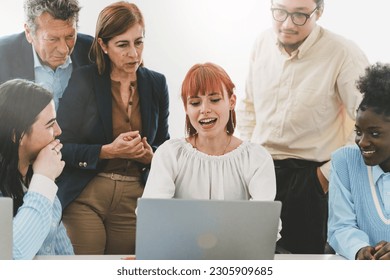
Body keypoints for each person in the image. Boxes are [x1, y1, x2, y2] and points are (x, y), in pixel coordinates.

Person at [237, 0, 370, 254]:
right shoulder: (261, 43)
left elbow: (368, 125)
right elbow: (249, 106)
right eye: (280, 12)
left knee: (305, 265)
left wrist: (325, 176)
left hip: (310, 180)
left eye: (300, 15)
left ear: (318, 12)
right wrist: (248, 155)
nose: (287, 24)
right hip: (259, 173)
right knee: (253, 259)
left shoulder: (343, 53)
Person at [56, 1, 170, 255]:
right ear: (103, 45)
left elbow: (164, 144)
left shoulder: (156, 84)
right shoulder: (84, 79)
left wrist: (151, 155)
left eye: (138, 42)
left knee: (124, 269)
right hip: (87, 194)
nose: (134, 54)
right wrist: (107, 151)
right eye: (123, 44)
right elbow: (61, 147)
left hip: (134, 199)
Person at [142, 62, 280, 238]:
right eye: (194, 102)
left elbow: (262, 222)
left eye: (214, 100)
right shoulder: (169, 154)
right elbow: (155, 217)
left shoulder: (256, 158)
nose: (204, 110)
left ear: (232, 101)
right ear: (186, 108)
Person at [0, 78, 72, 260]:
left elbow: (65, 257)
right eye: (50, 124)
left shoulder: (37, 180)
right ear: (18, 135)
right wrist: (44, 181)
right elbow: (10, 257)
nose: (59, 131)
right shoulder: (42, 181)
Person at [328, 63, 390, 260]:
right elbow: (341, 226)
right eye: (358, 131)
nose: (362, 142)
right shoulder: (344, 161)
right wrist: (359, 250)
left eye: (374, 133)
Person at [0, 0, 93, 110]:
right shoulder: (3, 54)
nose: (64, 50)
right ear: (28, 33)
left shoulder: (92, 50)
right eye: (52, 39)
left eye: (70, 36)